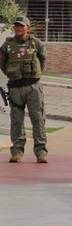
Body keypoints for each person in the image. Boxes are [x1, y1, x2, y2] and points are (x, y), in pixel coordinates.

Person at [0, 16, 48, 163]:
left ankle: (40, 152)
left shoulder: (36, 43)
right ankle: (17, 151)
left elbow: (42, 59)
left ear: (27, 27)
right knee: (16, 120)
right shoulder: (7, 46)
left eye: (22, 26)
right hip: (15, 87)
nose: (19, 28)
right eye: (16, 26)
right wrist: (13, 75)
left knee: (38, 118)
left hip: (33, 86)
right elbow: (2, 63)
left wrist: (34, 75)